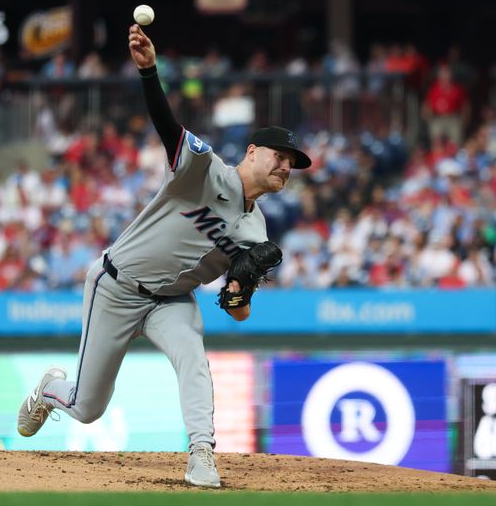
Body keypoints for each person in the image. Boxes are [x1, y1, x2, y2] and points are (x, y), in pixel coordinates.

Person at [17, 24, 311, 488]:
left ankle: (202, 455)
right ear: (252, 151)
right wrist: (150, 71)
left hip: (172, 300)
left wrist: (238, 290)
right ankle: (51, 390)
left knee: (193, 355)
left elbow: (238, 312)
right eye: (279, 155)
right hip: (116, 286)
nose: (285, 166)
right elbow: (166, 125)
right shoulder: (203, 169)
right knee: (88, 408)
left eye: (292, 164)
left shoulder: (257, 232)